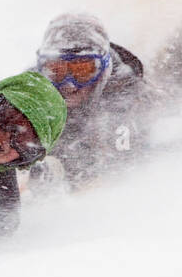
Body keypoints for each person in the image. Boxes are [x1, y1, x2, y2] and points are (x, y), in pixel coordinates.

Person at [30, 12, 160, 188]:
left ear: (104, 69)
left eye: (82, 71)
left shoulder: (127, 98)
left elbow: (117, 170)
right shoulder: (29, 92)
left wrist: (62, 170)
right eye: (56, 70)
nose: (70, 85)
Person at [0, 73, 67, 235]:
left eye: (23, 140)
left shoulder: (0, 208)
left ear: (26, 159)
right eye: (7, 117)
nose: (4, 138)